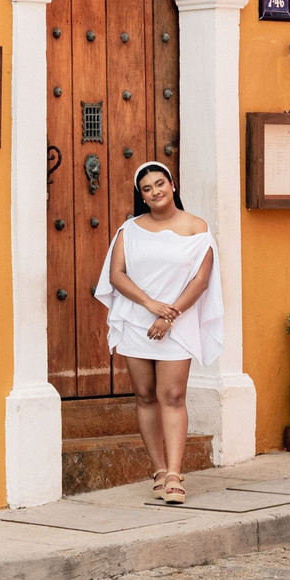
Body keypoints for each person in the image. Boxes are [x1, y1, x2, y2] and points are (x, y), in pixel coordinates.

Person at [94, 160, 222, 505]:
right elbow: (116, 275)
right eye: (147, 188)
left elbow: (201, 278)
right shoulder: (129, 230)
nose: (155, 191)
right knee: (145, 395)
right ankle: (158, 469)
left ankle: (175, 475)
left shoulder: (197, 228)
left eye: (160, 183)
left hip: (175, 325)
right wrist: (150, 305)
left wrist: (170, 315)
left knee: (173, 395)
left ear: (172, 185)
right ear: (142, 196)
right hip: (137, 322)